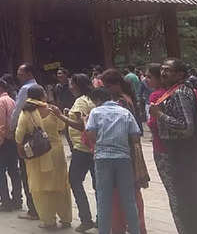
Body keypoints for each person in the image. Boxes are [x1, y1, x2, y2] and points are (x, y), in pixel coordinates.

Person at [149, 58, 197, 234]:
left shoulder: (180, 92)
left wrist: (160, 115)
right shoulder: (177, 90)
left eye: (168, 70)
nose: (163, 73)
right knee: (192, 197)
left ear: (180, 74)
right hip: (183, 152)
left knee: (189, 199)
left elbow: (186, 127)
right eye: (162, 69)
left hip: (185, 153)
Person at [85, 87, 141, 234]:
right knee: (128, 199)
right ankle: (135, 230)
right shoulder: (125, 112)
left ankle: (104, 231)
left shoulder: (95, 112)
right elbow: (135, 137)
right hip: (123, 158)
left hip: (102, 158)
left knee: (104, 199)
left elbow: (90, 135)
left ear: (97, 100)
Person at [15, 85, 71, 229]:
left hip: (37, 155)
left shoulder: (26, 112)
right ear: (42, 95)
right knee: (61, 186)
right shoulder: (52, 109)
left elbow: (19, 136)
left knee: (40, 189)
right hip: (56, 152)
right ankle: (65, 218)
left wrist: (21, 152)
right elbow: (60, 127)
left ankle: (48, 221)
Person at [101, 69, 148, 234]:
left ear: (114, 85)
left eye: (107, 86)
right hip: (128, 150)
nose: (106, 90)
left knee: (123, 194)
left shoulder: (120, 102)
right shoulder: (126, 98)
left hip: (122, 151)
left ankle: (128, 226)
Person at [50, 73, 96, 233]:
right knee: (97, 184)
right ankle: (101, 217)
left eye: (71, 83)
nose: (69, 86)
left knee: (75, 181)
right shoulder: (90, 99)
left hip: (82, 148)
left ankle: (86, 218)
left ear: (76, 85)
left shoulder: (81, 101)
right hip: (92, 148)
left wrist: (60, 115)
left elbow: (81, 125)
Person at [146, 63, 181, 232]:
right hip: (178, 149)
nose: (146, 80)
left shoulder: (156, 96)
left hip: (162, 149)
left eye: (149, 76)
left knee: (173, 193)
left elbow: (153, 124)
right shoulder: (176, 92)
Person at [0, 78, 22, 212]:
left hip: (3, 142)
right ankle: (17, 200)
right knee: (14, 171)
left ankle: (5, 201)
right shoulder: (11, 100)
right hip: (12, 141)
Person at [10, 62, 38, 219]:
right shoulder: (37, 86)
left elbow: (17, 110)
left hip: (25, 133)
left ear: (28, 74)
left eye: (20, 73)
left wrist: (11, 128)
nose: (18, 76)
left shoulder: (25, 89)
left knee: (26, 171)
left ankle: (32, 209)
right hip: (37, 133)